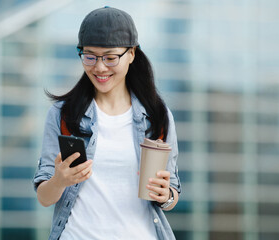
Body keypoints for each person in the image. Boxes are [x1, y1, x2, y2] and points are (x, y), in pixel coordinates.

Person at [33, 6, 181, 240]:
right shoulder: (63, 115)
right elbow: (44, 197)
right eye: (89, 56)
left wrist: (166, 196)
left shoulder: (157, 116)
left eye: (110, 57)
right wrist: (59, 180)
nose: (99, 67)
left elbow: (171, 190)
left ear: (131, 54)